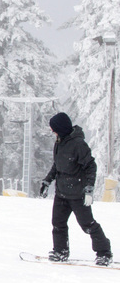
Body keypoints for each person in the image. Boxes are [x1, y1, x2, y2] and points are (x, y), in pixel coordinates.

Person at [40, 112, 112, 266]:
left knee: (88, 225)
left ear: (62, 128)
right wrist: (47, 181)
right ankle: (60, 252)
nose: (53, 132)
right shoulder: (59, 142)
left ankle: (104, 253)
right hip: (61, 192)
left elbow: (91, 166)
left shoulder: (78, 144)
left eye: (54, 129)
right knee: (58, 223)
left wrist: (88, 189)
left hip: (77, 193)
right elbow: (57, 165)